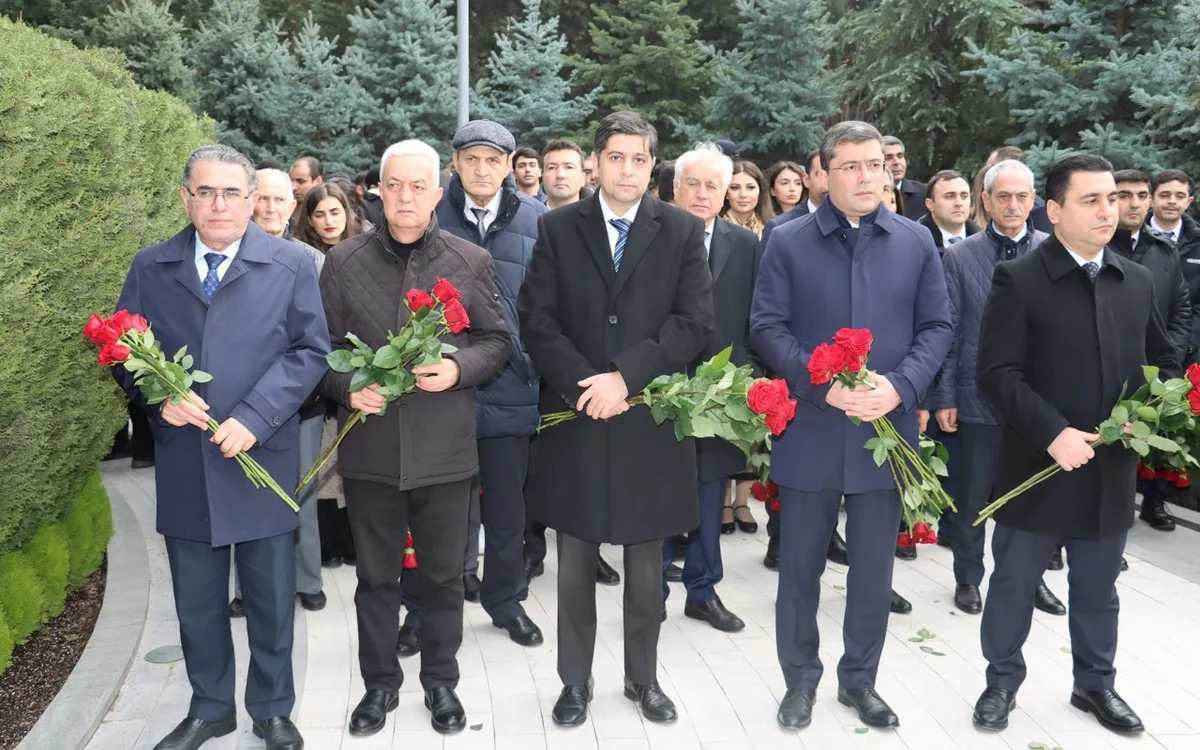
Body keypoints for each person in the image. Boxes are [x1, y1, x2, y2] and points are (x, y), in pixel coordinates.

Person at [113, 144, 330, 750]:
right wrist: (158, 400)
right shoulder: (151, 266)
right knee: (198, 601)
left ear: (252, 200)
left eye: (232, 193)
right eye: (205, 192)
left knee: (269, 598)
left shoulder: (288, 264)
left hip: (261, 455)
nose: (218, 204)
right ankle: (210, 707)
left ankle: (272, 710)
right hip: (187, 461)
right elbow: (124, 350)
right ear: (185, 197)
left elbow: (310, 352)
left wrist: (258, 418)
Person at [750, 121, 952, 731]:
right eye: (851, 167)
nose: (867, 177)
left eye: (875, 165)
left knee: (873, 570)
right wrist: (824, 385)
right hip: (812, 430)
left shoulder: (916, 242)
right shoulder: (786, 241)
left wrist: (900, 385)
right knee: (800, 570)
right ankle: (799, 681)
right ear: (825, 174)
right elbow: (766, 327)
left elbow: (937, 327)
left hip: (884, 433)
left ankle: (859, 681)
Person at [519, 110, 713, 727]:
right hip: (577, 416)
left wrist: (626, 376)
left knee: (646, 565)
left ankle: (642, 679)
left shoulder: (681, 230)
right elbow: (537, 319)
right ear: (594, 163)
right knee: (573, 564)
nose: (627, 169)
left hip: (647, 418)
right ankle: (574, 682)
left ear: (652, 165)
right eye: (616, 157)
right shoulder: (556, 228)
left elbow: (693, 324)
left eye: (639, 159)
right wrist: (588, 385)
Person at [971, 154, 1177, 736]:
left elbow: (1162, 359)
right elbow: (997, 373)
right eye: (1091, 200)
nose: (1108, 210)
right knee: (1013, 583)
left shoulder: (1134, 279)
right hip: (1036, 462)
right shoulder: (1020, 278)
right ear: (1054, 210)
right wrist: (1053, 432)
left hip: (1108, 465)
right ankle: (1001, 683)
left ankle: (1095, 684)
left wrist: (1146, 414)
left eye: (1113, 198)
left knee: (1097, 587)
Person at [320, 139, 511, 737]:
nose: (405, 196)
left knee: (443, 578)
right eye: (393, 184)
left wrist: (458, 369)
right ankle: (379, 688)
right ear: (377, 189)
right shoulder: (344, 262)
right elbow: (313, 351)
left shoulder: (470, 259)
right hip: (372, 452)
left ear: (437, 191)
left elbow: (497, 342)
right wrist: (347, 385)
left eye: (417, 186)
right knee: (375, 580)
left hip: (445, 452)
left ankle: (441, 684)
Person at [398, 120, 546, 652]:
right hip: (441, 387)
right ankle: (419, 611)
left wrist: (535, 363)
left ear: (509, 166)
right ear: (454, 164)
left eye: (493, 160)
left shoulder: (536, 218)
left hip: (511, 384)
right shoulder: (429, 214)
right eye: (472, 159)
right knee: (433, 512)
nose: (482, 170)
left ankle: (505, 602)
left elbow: (547, 303)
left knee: (507, 511)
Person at [928, 160, 1065, 617]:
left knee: (1030, 499)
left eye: (1021, 196)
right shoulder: (960, 256)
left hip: (1036, 403)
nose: (1012, 204)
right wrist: (944, 396)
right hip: (975, 400)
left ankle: (1030, 580)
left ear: (1035, 201)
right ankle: (968, 577)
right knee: (971, 498)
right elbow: (946, 330)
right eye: (1002, 196)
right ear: (984, 201)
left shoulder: (1054, 252)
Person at [226, 168, 332, 619]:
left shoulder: (314, 260)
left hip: (301, 403)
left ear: (294, 206)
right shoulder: (228, 255)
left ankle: (307, 580)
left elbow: (322, 333)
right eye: (263, 199)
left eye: (280, 200)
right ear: (250, 201)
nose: (271, 208)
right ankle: (247, 590)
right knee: (242, 494)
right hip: (242, 404)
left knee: (300, 495)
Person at [661, 142, 758, 633]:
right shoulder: (647, 239)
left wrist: (750, 381)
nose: (702, 194)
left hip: (721, 394)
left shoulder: (744, 246)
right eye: (692, 184)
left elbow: (753, 320)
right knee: (656, 494)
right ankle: (651, 588)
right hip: (659, 393)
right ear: (675, 188)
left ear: (725, 195)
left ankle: (702, 590)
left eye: (712, 186)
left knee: (708, 493)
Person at [1111, 169, 1192, 532]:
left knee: (1130, 459)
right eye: (1124, 195)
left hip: (1151, 375)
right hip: (1107, 370)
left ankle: (1114, 532)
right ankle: (1057, 540)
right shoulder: (1098, 247)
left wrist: (1167, 360)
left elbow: (1180, 310)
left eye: (1141, 195)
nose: (1135, 203)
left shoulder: (1163, 251)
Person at [1150, 170, 1200, 363]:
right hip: (1137, 346)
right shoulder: (1131, 238)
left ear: (1188, 202)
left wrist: (1186, 343)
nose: (1172, 201)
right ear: (1151, 199)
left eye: (1179, 196)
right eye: (1164, 195)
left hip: (1187, 351)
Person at [761, 150, 828, 246]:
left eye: (797, 183)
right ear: (806, 180)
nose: (792, 189)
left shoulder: (854, 221)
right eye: (820, 174)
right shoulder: (779, 227)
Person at [293, 183, 362, 253]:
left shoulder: (364, 247)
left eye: (335, 213)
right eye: (319, 215)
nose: (329, 221)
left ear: (347, 214)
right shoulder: (298, 252)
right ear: (309, 220)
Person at [723, 160, 774, 239]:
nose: (743, 195)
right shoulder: (711, 227)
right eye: (735, 188)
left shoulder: (774, 229)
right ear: (726, 192)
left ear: (760, 191)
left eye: (750, 188)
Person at [882, 135, 927, 220]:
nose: (896, 162)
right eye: (888, 158)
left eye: (900, 156)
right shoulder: (869, 195)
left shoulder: (925, 193)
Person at [541, 140, 587, 210]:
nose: (560, 175)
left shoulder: (600, 218)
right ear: (542, 176)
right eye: (552, 168)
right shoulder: (530, 218)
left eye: (569, 167)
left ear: (583, 178)